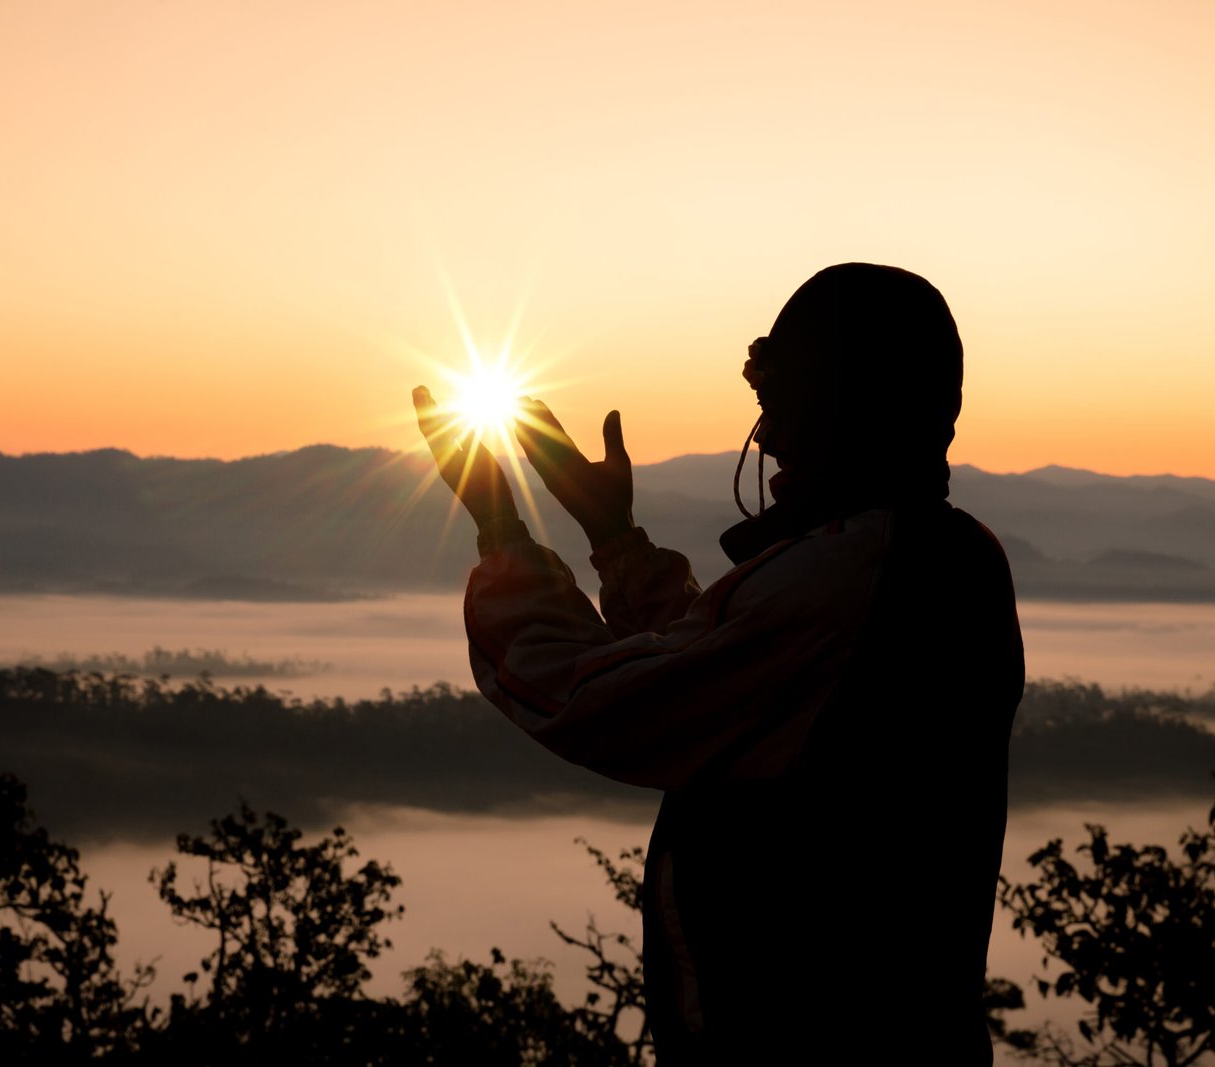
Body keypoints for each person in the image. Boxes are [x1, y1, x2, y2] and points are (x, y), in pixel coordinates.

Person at [413, 263, 1024, 1064]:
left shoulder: (853, 571)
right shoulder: (945, 554)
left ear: (845, 402)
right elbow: (733, 674)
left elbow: (598, 701)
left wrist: (500, 528)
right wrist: (614, 535)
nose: (764, 433)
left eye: (777, 397)